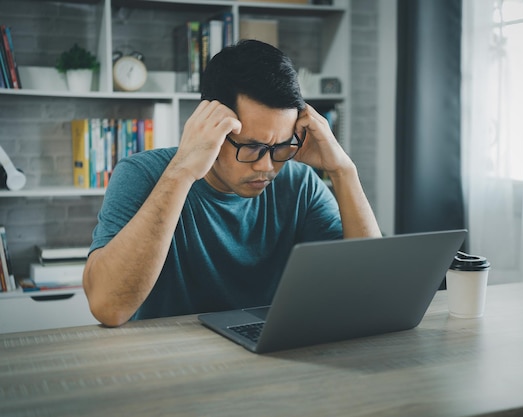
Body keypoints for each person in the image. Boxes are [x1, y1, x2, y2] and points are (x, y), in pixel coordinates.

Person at [83, 40, 381, 327]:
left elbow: (371, 290)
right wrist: (182, 172)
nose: (267, 166)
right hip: (169, 362)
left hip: (264, 354)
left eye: (281, 146)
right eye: (251, 146)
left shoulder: (299, 183)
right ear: (209, 126)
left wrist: (343, 170)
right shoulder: (141, 174)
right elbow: (108, 308)